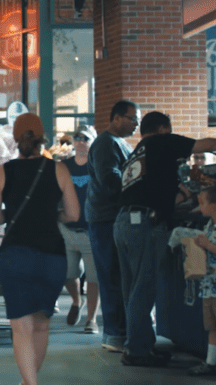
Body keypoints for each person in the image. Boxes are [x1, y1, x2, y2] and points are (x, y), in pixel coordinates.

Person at [114, 111, 216, 367]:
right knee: (144, 287)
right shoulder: (161, 141)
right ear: (163, 129)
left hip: (124, 222)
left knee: (132, 289)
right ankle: (137, 350)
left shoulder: (137, 153)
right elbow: (206, 145)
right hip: (144, 225)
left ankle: (140, 345)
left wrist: (184, 195)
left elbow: (159, 195)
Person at [0, 113, 81, 385]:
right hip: (52, 256)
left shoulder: (2, 172)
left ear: (15, 139)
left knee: (21, 328)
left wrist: (13, 213)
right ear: (42, 138)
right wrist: (54, 214)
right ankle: (29, 382)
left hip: (15, 255)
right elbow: (74, 214)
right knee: (41, 325)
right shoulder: (59, 169)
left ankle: (30, 383)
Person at [87, 100, 139, 353]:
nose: (135, 124)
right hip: (105, 218)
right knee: (111, 276)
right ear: (116, 117)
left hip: (113, 217)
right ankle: (114, 334)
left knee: (120, 276)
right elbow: (111, 179)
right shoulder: (106, 144)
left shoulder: (121, 143)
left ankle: (121, 331)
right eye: (132, 119)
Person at [59, 124, 100, 334]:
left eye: (86, 137)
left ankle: (91, 319)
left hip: (91, 230)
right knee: (68, 274)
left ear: (93, 142)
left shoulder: (98, 166)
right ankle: (77, 301)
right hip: (67, 230)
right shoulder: (63, 166)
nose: (81, 140)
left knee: (93, 279)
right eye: (77, 137)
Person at [190, 185, 216, 376]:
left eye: (203, 202)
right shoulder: (209, 226)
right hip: (209, 286)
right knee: (212, 326)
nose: (199, 206)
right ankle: (210, 362)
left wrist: (207, 245)